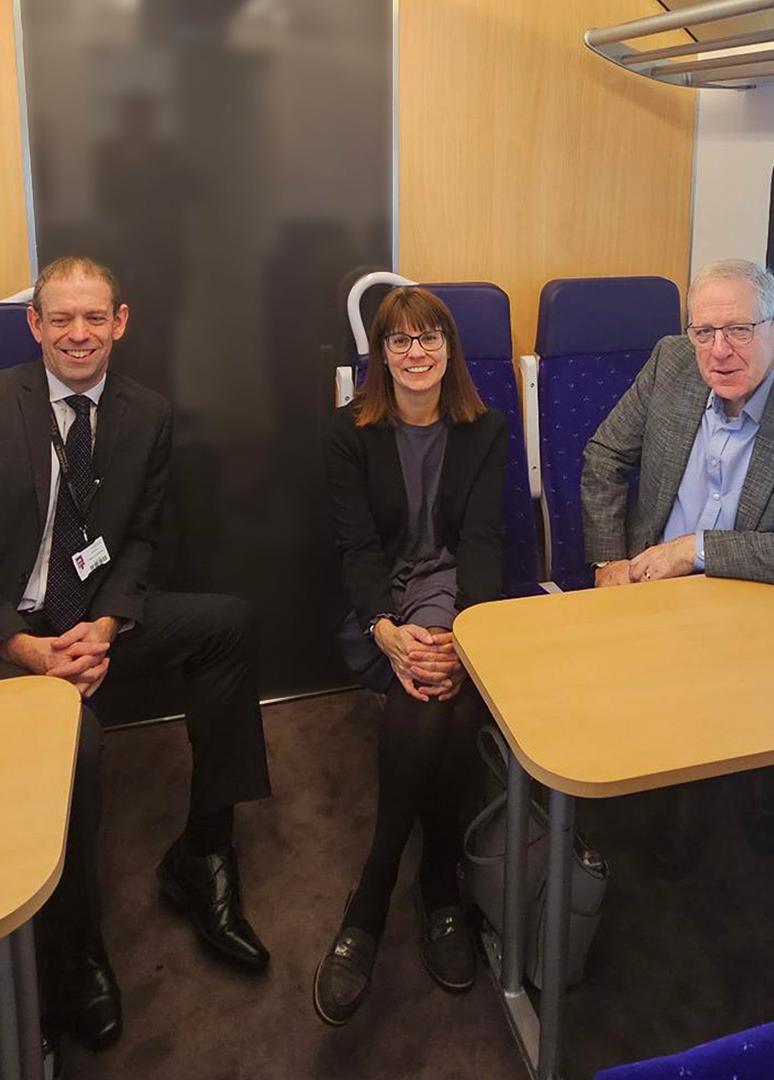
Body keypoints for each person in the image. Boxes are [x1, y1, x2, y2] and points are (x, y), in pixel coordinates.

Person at [0, 255, 273, 1053]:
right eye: (61, 319)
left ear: (120, 322)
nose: (79, 334)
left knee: (228, 624)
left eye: (95, 318)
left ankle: (203, 854)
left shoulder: (146, 413)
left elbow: (143, 538)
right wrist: (23, 645)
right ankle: (74, 945)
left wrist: (112, 623)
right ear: (35, 325)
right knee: (75, 737)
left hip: (82, 619)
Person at [314, 286, 506, 1025]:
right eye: (400, 341)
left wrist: (470, 633)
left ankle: (374, 893)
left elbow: (484, 541)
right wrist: (385, 628)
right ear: (380, 356)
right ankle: (437, 887)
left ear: (449, 351)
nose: (417, 352)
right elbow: (358, 548)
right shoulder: (346, 433)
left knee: (439, 698)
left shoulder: (484, 428)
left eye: (430, 339)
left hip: (460, 590)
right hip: (386, 599)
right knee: (442, 702)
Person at [583, 257, 774, 591]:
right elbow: (606, 455)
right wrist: (608, 561)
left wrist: (696, 549)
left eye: (739, 330)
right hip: (647, 588)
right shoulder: (670, 363)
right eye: (704, 333)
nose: (719, 351)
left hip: (750, 602)